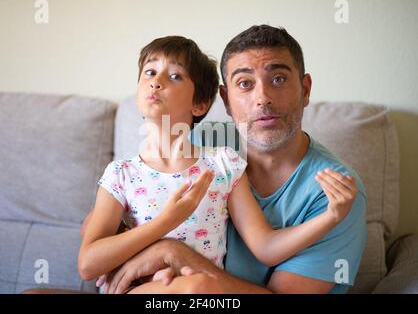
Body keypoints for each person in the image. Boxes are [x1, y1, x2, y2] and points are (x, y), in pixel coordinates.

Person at [78, 34, 359, 294]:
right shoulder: (120, 173)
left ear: (200, 104)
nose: (156, 82)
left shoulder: (223, 165)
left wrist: (330, 218)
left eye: (174, 75)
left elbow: (266, 246)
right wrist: (163, 226)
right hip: (144, 291)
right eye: (149, 73)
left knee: (199, 288)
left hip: (203, 295)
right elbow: (89, 262)